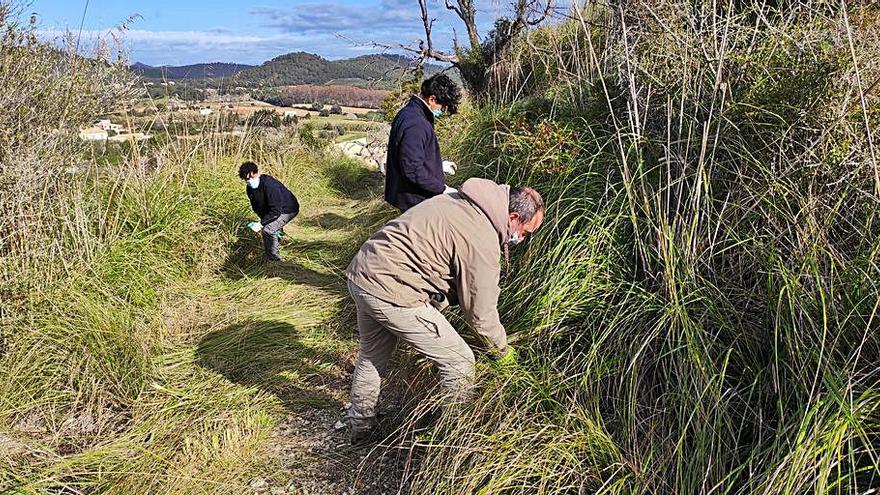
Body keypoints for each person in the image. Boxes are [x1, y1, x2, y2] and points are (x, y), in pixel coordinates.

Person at [345, 177, 545, 443]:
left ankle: (359, 428)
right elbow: (481, 317)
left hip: (363, 273)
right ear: (513, 217)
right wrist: (503, 352)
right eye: (526, 232)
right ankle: (452, 437)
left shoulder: (457, 201)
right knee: (459, 362)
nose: (522, 238)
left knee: (372, 355)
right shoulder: (481, 236)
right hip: (393, 290)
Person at [384, 73, 462, 212]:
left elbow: (414, 155)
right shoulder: (417, 123)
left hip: (409, 197)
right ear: (432, 99)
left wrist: (438, 166)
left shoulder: (410, 113)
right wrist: (442, 189)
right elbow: (412, 169)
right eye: (442, 107)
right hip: (414, 201)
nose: (442, 112)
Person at [238, 161, 299, 261]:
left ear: (256, 173)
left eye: (250, 178)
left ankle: (274, 259)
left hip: (288, 209)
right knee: (271, 226)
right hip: (274, 210)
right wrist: (263, 219)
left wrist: (261, 224)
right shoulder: (250, 189)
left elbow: (276, 211)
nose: (248, 181)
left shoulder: (270, 185)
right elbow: (257, 206)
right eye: (246, 179)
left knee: (268, 230)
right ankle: (275, 243)